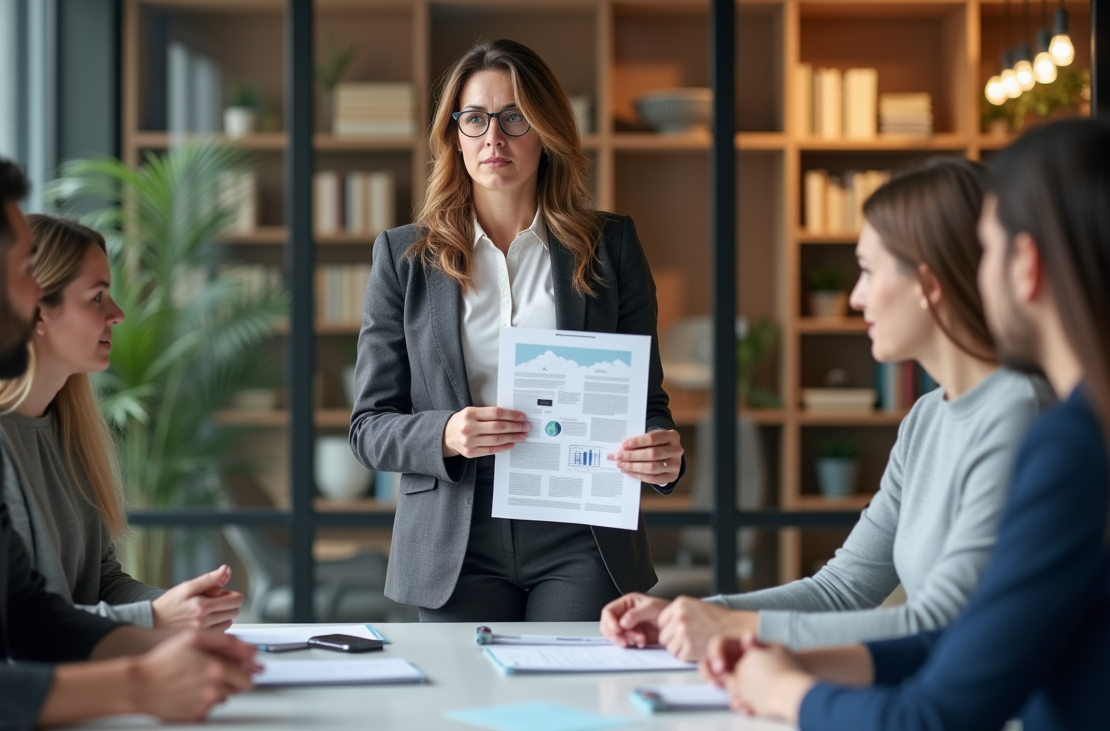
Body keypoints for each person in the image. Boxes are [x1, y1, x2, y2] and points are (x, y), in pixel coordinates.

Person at [704, 117, 1110, 730]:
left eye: (989, 248)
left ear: (1024, 264)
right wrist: (758, 643)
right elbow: (941, 638)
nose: (855, 298)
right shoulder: (937, 418)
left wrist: (786, 686)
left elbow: (939, 695)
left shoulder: (1056, 433)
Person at [601, 158, 1053, 659]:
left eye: (867, 270)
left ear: (929, 284)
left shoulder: (1019, 415)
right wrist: (685, 615)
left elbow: (943, 624)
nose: (856, 297)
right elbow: (842, 590)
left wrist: (727, 627)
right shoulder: (926, 419)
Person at [0, 142, 257, 729]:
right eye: (25, 272)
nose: (36, 299)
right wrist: (138, 681)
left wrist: (167, 647)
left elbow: (24, 613)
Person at [349, 39, 686, 622]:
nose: (493, 138)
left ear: (547, 131)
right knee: (470, 708)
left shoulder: (610, 247)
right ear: (454, 135)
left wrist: (662, 455)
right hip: (454, 539)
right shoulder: (403, 257)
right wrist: (447, 433)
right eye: (475, 119)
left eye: (515, 118)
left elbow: (646, 403)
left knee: (569, 706)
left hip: (581, 532)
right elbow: (368, 427)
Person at [0, 214, 245, 630]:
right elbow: (11, 626)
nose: (116, 314)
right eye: (97, 297)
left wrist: (179, 606)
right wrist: (154, 617)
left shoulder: (70, 432)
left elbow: (102, 582)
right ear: (37, 310)